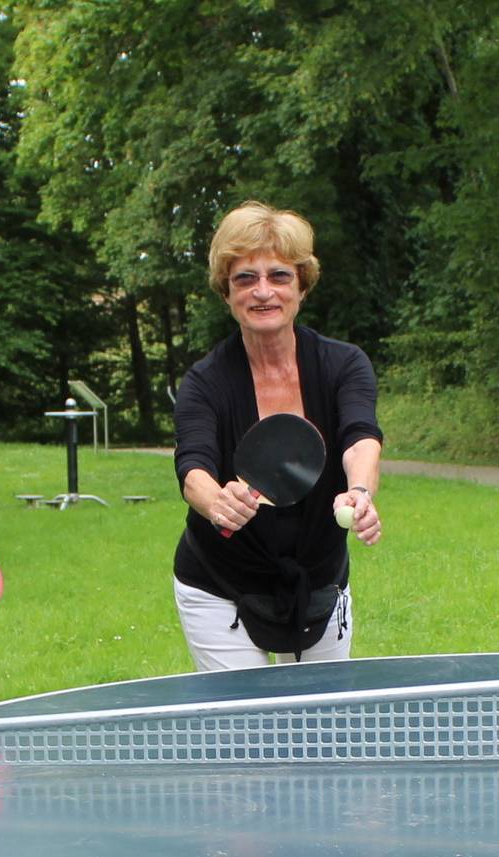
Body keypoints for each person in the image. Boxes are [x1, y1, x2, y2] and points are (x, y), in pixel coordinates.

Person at [172, 201, 383, 671]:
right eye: (245, 278)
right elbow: (193, 466)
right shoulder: (205, 382)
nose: (262, 291)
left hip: (319, 579)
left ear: (301, 286)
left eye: (279, 276)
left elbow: (360, 436)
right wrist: (216, 501)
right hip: (218, 584)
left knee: (319, 730)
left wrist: (360, 491)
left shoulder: (344, 365)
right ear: (226, 293)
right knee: (247, 731)